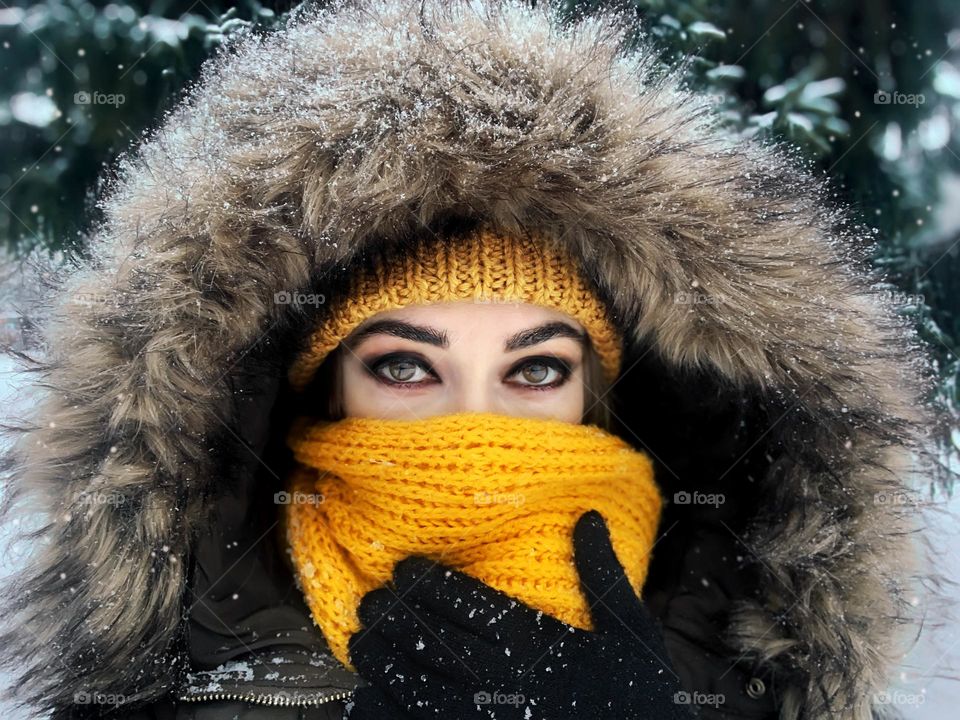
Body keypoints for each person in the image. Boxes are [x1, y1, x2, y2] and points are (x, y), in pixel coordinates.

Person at [0, 1, 947, 719]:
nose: (476, 428)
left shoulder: (735, 655)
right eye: (406, 366)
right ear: (322, 398)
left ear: (597, 399)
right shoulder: (178, 666)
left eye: (535, 369)